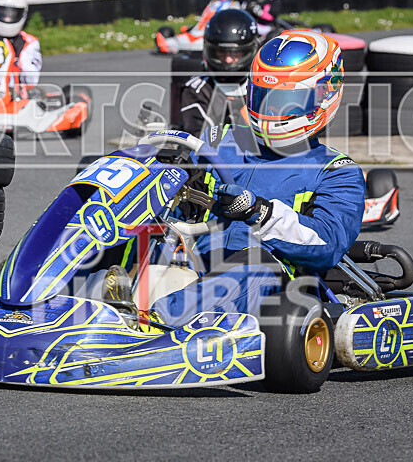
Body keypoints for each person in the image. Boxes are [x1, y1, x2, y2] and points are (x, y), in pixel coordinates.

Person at [149, 29, 365, 326]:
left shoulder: (337, 172)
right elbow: (175, 206)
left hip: (277, 287)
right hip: (194, 262)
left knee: (255, 264)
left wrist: (258, 211)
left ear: (325, 94)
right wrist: (163, 173)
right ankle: (84, 302)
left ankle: (154, 324)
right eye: (264, 98)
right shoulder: (219, 140)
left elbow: (326, 244)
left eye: (287, 100)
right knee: (134, 234)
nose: (272, 110)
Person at [179, 9, 259, 138]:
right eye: (221, 53)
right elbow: (199, 140)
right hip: (218, 154)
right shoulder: (198, 89)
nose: (228, 60)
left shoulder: (261, 85)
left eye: (235, 53)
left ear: (248, 51)